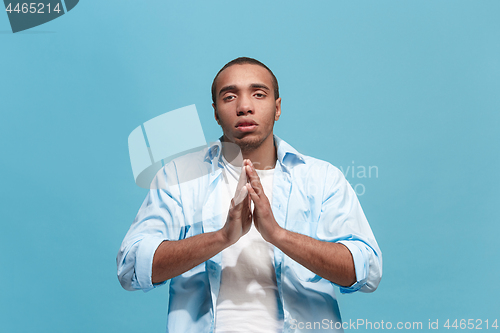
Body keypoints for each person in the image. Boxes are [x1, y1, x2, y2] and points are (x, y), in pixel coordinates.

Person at [117, 57, 382, 333]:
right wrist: (221, 238)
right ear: (216, 113)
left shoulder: (322, 178)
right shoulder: (179, 177)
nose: (244, 107)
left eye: (259, 94)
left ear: (277, 108)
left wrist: (279, 235)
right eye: (230, 96)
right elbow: (131, 266)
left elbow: (366, 270)